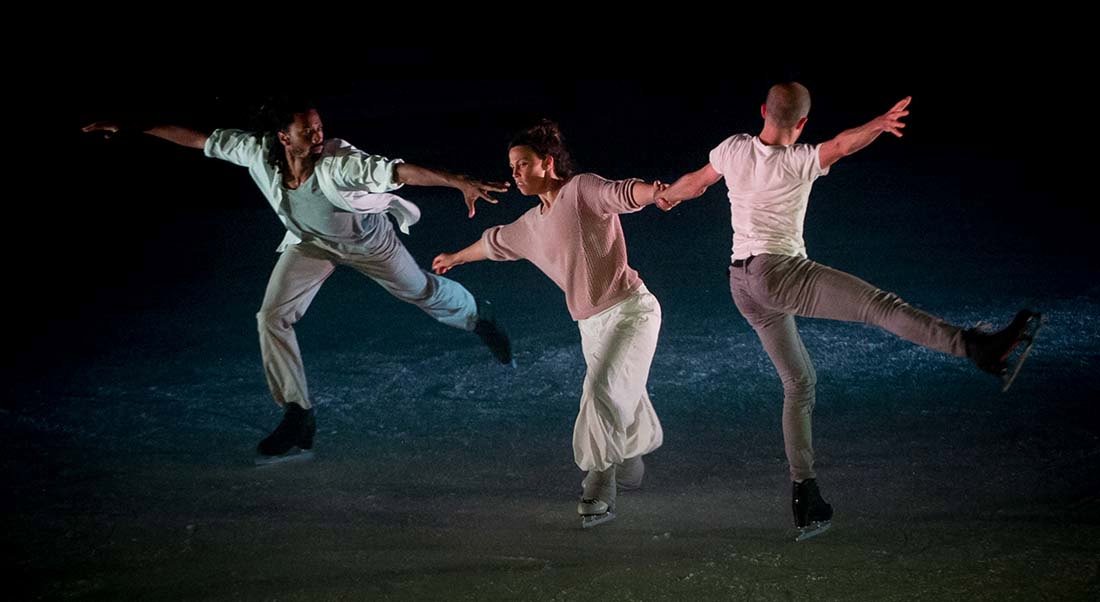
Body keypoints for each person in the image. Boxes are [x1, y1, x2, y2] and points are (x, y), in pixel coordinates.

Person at [655, 83, 1040, 540]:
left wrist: (665, 196)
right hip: (778, 274)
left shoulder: (734, 149)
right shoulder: (799, 161)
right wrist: (877, 125)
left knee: (799, 382)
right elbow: (840, 145)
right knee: (880, 306)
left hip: (742, 284)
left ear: (763, 111)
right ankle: (977, 347)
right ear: (801, 124)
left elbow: (695, 184)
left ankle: (806, 496)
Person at [82, 96, 514, 464]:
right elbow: (198, 139)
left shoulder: (338, 162)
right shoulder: (255, 151)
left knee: (421, 292)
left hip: (368, 242)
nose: (317, 136)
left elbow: (399, 172)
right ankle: (297, 414)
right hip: (310, 243)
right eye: (307, 131)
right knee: (271, 316)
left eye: (319, 127)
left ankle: (479, 317)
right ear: (283, 138)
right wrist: (133, 126)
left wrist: (456, 180)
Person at [432, 120, 667, 527]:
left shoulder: (581, 191)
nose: (516, 172)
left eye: (523, 164)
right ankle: (629, 459)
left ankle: (600, 480)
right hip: (589, 325)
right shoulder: (532, 224)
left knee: (601, 388)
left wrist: (657, 193)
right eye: (512, 167)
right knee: (620, 388)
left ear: (548, 161)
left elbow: (622, 193)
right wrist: (455, 257)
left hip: (632, 310)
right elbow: (495, 242)